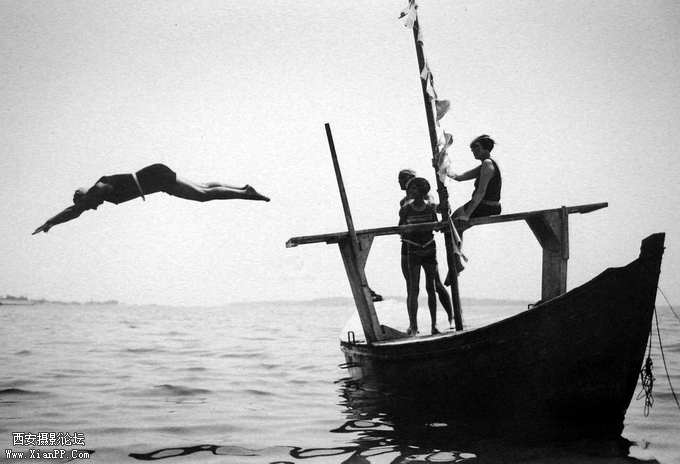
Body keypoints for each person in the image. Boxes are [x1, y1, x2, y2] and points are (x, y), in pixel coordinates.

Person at [32, 163, 270, 235]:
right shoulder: (98, 189)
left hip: (156, 179)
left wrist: (51, 222)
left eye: (89, 205)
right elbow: (79, 209)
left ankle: (244, 194)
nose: (92, 208)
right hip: (154, 175)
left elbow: (75, 211)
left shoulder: (99, 189)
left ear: (83, 195)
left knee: (203, 196)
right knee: (203, 187)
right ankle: (243, 188)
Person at [398, 169, 454, 328]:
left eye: (403, 179)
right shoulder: (404, 202)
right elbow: (401, 224)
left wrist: (444, 204)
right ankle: (413, 325)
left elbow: (439, 212)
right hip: (409, 244)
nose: (401, 182)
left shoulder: (428, 199)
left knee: (435, 284)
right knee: (411, 286)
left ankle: (450, 318)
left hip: (426, 245)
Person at [399, 177, 441, 336]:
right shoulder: (406, 209)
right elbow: (400, 229)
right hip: (413, 249)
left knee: (431, 287)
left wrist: (444, 208)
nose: (411, 192)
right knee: (413, 288)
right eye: (409, 189)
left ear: (422, 190)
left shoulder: (430, 207)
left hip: (429, 248)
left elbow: (436, 226)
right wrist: (411, 230)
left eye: (414, 189)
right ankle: (414, 326)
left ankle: (434, 325)